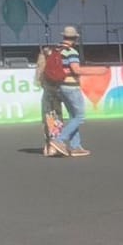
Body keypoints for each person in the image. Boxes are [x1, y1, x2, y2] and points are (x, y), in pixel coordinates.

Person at [46, 26, 89, 157]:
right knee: (80, 116)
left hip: (59, 86)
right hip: (71, 86)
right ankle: (59, 140)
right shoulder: (71, 51)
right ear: (75, 38)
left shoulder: (56, 49)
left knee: (73, 116)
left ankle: (76, 146)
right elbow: (76, 69)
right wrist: (93, 72)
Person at [34, 41, 65, 156]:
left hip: (47, 91)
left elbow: (39, 80)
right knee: (57, 117)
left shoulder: (43, 64)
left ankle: (48, 146)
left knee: (47, 117)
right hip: (56, 90)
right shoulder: (58, 58)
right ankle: (55, 144)